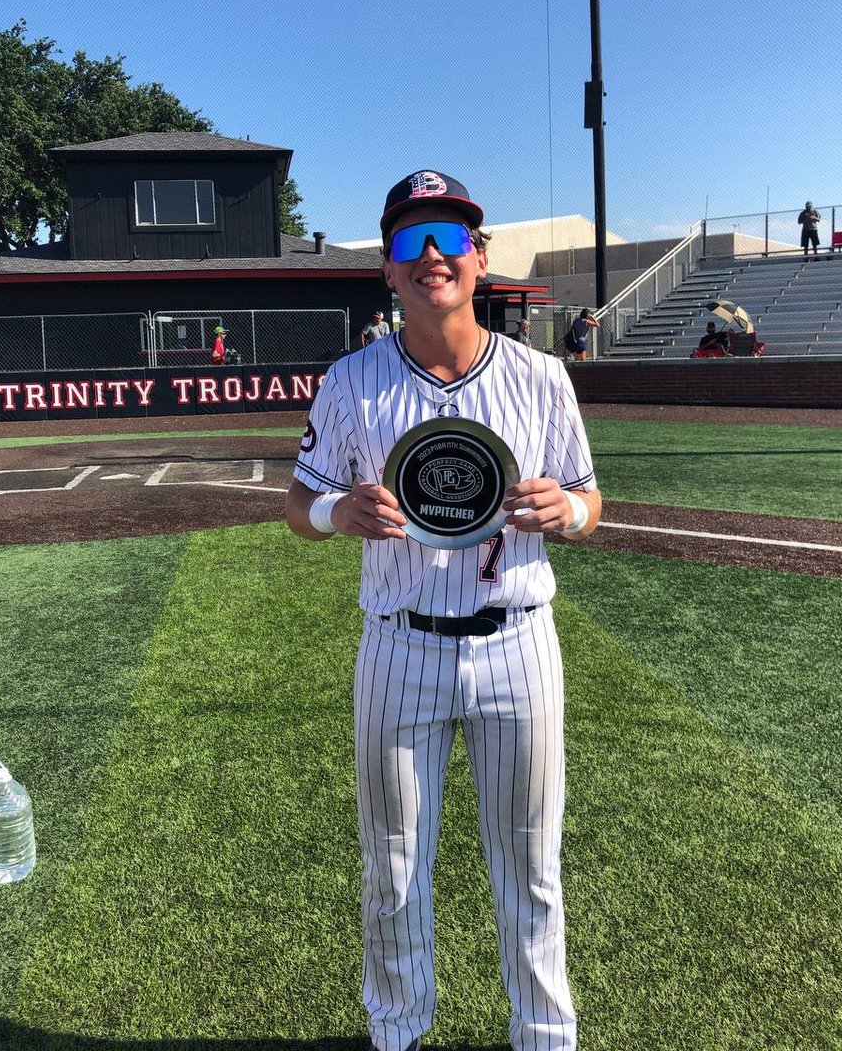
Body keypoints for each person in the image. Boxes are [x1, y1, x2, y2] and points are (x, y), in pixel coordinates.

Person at [286, 169, 601, 1051]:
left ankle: (545, 1035)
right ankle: (397, 1033)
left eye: (452, 236)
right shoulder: (349, 381)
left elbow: (589, 500)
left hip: (517, 642)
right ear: (388, 268)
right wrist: (337, 513)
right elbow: (298, 505)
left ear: (480, 258)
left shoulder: (541, 377)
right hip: (401, 645)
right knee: (391, 866)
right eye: (410, 239)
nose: (433, 254)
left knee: (531, 865)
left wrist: (567, 512)